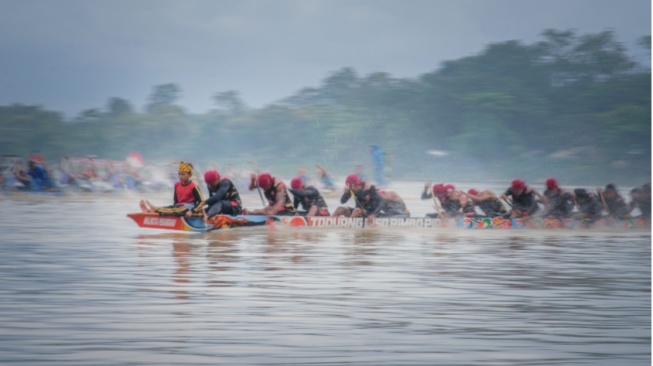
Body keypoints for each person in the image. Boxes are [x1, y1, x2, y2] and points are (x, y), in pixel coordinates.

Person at [139, 161, 205, 217]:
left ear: (189, 175)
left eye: (183, 174)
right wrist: (173, 209)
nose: (180, 176)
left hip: (188, 207)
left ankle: (155, 209)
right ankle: (153, 210)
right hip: (179, 206)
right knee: (171, 207)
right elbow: (175, 200)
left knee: (176, 209)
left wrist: (192, 211)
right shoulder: (177, 185)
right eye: (179, 174)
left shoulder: (193, 186)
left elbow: (201, 202)